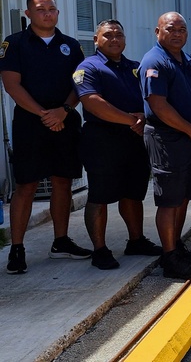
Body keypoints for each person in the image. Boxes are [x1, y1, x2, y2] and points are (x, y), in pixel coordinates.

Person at [1, 0, 90, 275]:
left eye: (52, 9)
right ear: (29, 14)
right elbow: (11, 85)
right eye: (41, 10)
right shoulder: (13, 44)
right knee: (26, 185)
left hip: (64, 120)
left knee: (62, 181)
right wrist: (45, 114)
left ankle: (61, 242)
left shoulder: (71, 45)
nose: (48, 14)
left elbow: (80, 85)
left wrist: (63, 111)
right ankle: (17, 248)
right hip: (31, 124)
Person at [73, 19, 162, 270]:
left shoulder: (135, 67)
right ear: (96, 40)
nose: (114, 39)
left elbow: (151, 97)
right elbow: (91, 101)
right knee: (100, 196)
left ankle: (136, 241)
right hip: (102, 139)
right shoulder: (87, 67)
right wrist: (130, 119)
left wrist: (143, 117)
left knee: (133, 193)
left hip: (134, 139)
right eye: (108, 35)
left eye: (119, 35)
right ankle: (100, 250)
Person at [138, 12, 191, 280]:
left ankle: (177, 247)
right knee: (169, 199)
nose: (178, 33)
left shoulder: (188, 60)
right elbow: (158, 105)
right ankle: (169, 259)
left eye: (182, 28)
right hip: (167, 138)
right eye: (171, 29)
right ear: (157, 31)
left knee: (183, 195)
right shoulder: (155, 61)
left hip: (190, 139)